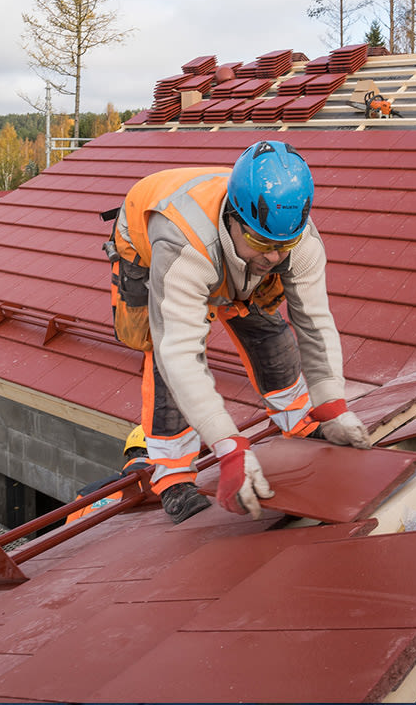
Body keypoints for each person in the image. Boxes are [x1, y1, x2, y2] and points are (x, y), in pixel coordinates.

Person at [105, 140, 372, 523]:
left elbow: (314, 321)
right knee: (158, 349)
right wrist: (230, 448)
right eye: (263, 243)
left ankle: (300, 418)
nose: (274, 257)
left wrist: (333, 407)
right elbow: (179, 354)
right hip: (144, 244)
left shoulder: (293, 233)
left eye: (285, 245)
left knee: (260, 319)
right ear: (234, 218)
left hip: (222, 250)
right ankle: (174, 474)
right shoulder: (184, 245)